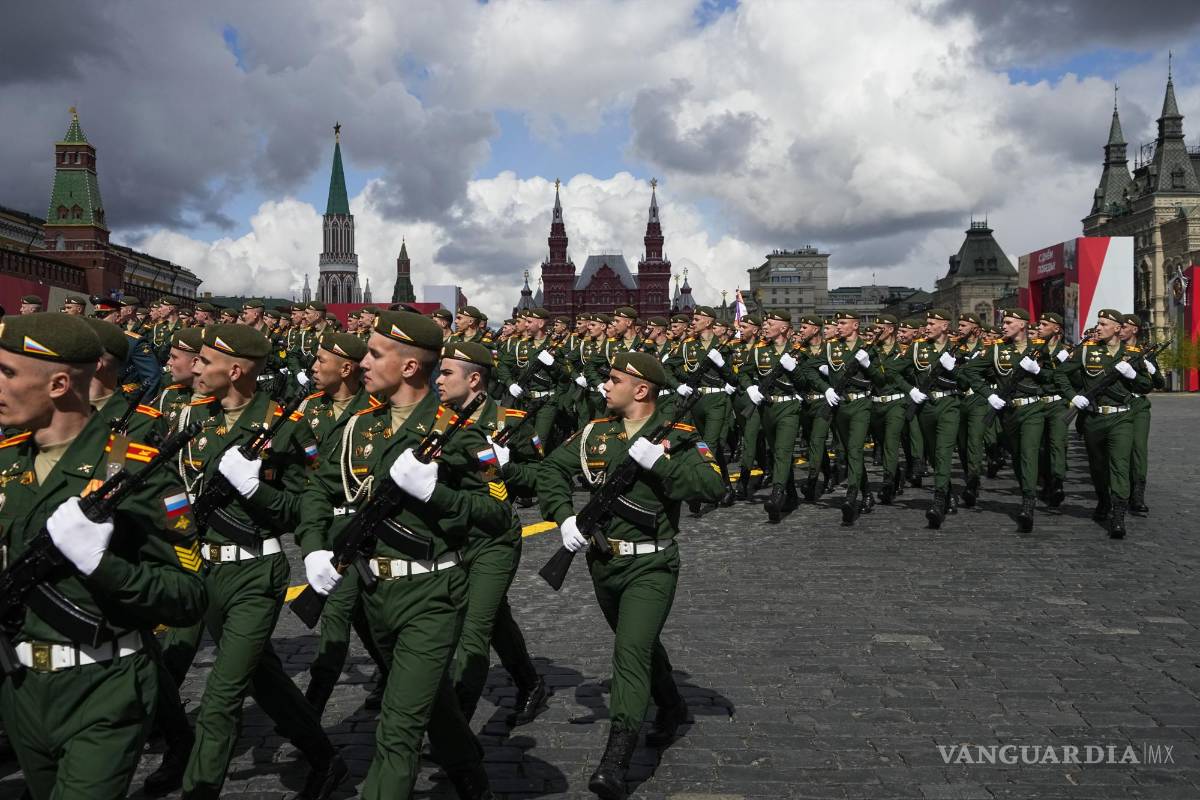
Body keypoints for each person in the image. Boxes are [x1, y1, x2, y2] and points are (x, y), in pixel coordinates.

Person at [293, 310, 506, 799]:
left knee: (397, 727)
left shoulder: (459, 431)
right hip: (374, 594)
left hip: (431, 592)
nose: (363, 363)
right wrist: (313, 549)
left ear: (410, 367)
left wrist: (437, 495)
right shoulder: (358, 426)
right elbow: (317, 490)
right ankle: (471, 776)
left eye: (374, 354)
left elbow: (498, 514)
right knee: (431, 704)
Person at [0, 312, 207, 800]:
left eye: (7, 372)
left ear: (58, 384)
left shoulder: (133, 471)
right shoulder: (6, 461)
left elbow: (188, 595)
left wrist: (102, 565)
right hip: (20, 687)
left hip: (103, 686)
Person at [539, 351, 724, 799]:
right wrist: (564, 517)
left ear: (641, 390)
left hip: (652, 564)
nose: (605, 385)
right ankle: (672, 704)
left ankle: (616, 759)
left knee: (630, 651)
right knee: (638, 644)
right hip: (603, 564)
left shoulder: (678, 436)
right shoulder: (595, 433)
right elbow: (551, 469)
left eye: (614, 379)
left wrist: (660, 463)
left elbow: (714, 487)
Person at [179, 324, 344, 800]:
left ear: (234, 371)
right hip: (203, 566)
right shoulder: (195, 418)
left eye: (205, 360)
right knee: (262, 677)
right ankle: (325, 758)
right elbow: (173, 488)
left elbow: (304, 506)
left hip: (255, 571)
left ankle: (198, 790)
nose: (195, 367)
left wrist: (256, 490)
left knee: (221, 696)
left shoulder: (283, 426)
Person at [436, 341, 547, 727]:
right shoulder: (436, 421)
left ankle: (455, 731)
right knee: (493, 616)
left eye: (447, 373)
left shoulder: (509, 421)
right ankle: (530, 682)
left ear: (474, 380)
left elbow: (541, 477)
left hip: (493, 537)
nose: (438, 380)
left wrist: (509, 467)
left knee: (473, 631)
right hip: (451, 536)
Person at [295, 332, 391, 716]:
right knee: (362, 615)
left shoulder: (377, 410)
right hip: (323, 522)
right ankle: (391, 671)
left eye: (322, 361)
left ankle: (310, 709)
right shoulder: (308, 408)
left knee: (335, 615)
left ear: (347, 368)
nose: (314, 367)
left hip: (361, 526)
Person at [1058, 309, 1154, 538]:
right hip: (1094, 419)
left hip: (1122, 418)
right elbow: (1060, 375)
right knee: (1098, 466)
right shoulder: (1086, 351)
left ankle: (1118, 516)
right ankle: (1103, 500)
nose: (1098, 327)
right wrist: (1074, 397)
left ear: (1117, 328)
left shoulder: (1132, 354)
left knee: (1120, 464)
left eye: (1103, 324)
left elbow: (1146, 386)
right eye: (1098, 323)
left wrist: (1133, 375)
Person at [740, 310, 804, 521]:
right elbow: (744, 373)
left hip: (789, 407)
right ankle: (792, 494)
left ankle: (777, 496)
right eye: (765, 323)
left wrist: (794, 369)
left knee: (783, 451)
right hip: (767, 409)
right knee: (777, 452)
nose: (765, 327)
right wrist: (750, 388)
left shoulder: (798, 351)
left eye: (770, 324)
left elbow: (805, 382)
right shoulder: (759, 350)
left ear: (783, 328)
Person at [1118, 313, 1161, 514]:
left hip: (1138, 404)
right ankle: (1119, 491)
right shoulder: (1111, 350)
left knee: (1138, 449)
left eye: (1124, 326)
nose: (1120, 330)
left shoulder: (1145, 352)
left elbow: (1159, 383)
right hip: (1117, 402)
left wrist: (1151, 369)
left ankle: (1137, 494)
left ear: (1134, 329)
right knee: (1120, 451)